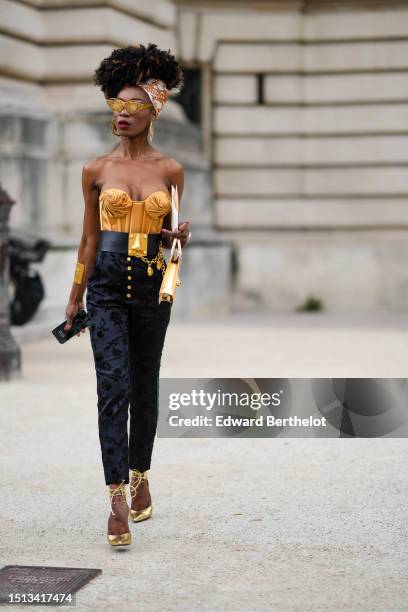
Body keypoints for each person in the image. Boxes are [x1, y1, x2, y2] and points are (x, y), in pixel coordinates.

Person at [63, 43, 191, 547]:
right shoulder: (95, 169)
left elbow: (173, 236)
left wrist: (176, 242)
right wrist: (75, 295)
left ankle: (141, 474)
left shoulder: (171, 170)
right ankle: (116, 495)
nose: (122, 114)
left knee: (143, 384)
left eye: (133, 106)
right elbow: (89, 238)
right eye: (116, 104)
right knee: (112, 386)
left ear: (154, 110)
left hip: (153, 285)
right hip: (108, 286)